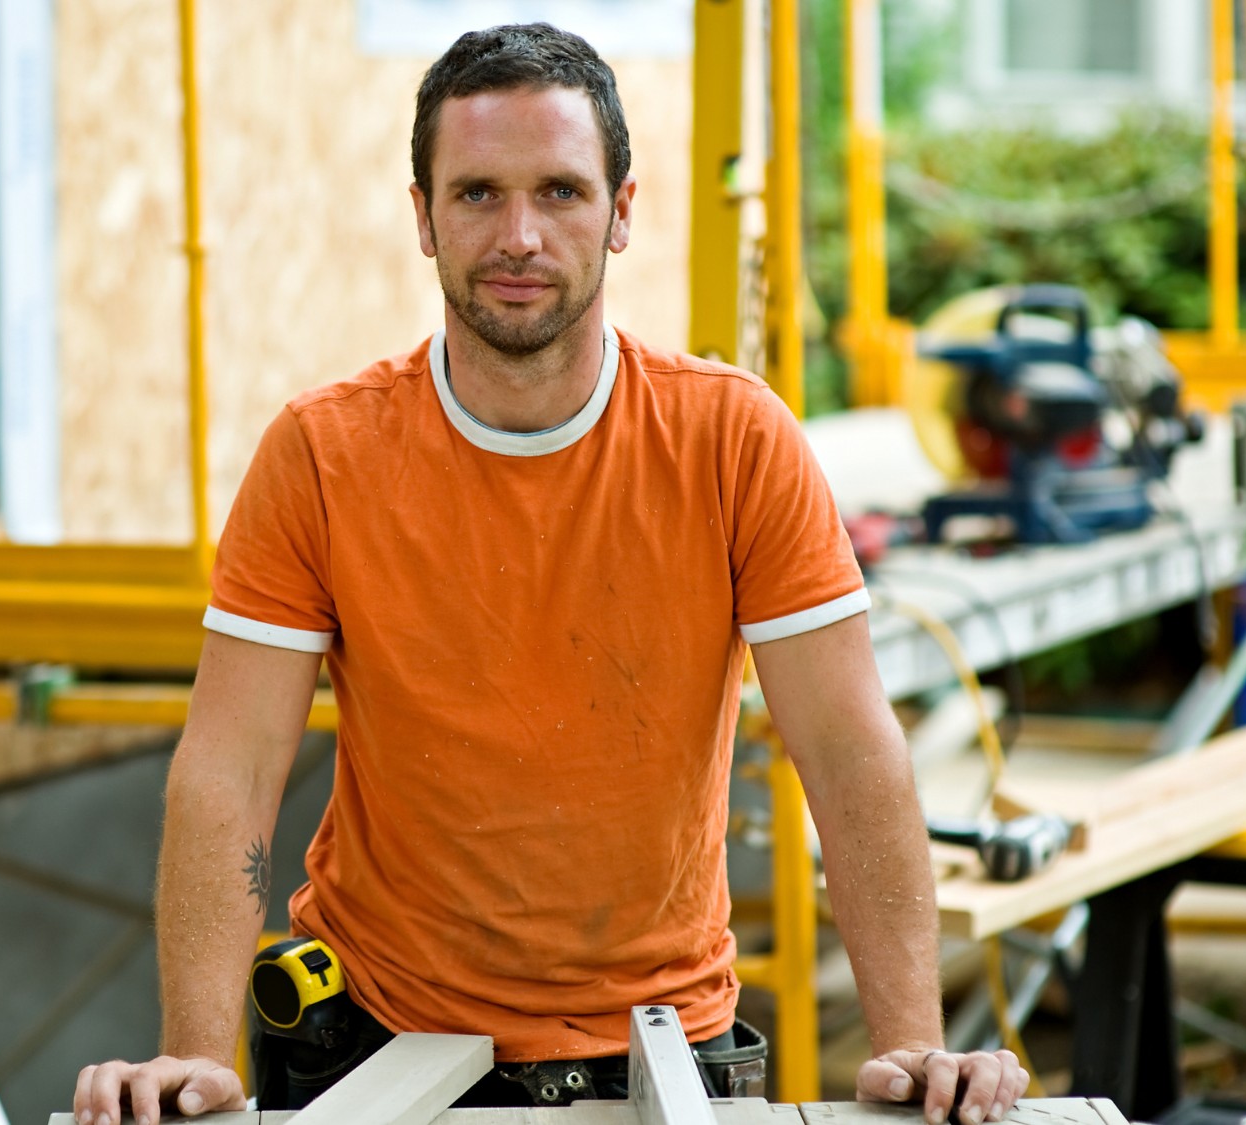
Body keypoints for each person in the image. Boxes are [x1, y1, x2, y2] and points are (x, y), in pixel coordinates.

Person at [76, 23, 1028, 1125]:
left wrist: (913, 1046)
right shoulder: (322, 453)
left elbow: (848, 752)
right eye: (476, 193)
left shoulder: (731, 441)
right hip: (379, 1034)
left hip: (663, 1041)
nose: (518, 235)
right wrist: (194, 1056)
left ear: (621, 213)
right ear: (422, 217)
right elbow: (228, 768)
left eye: (561, 192)